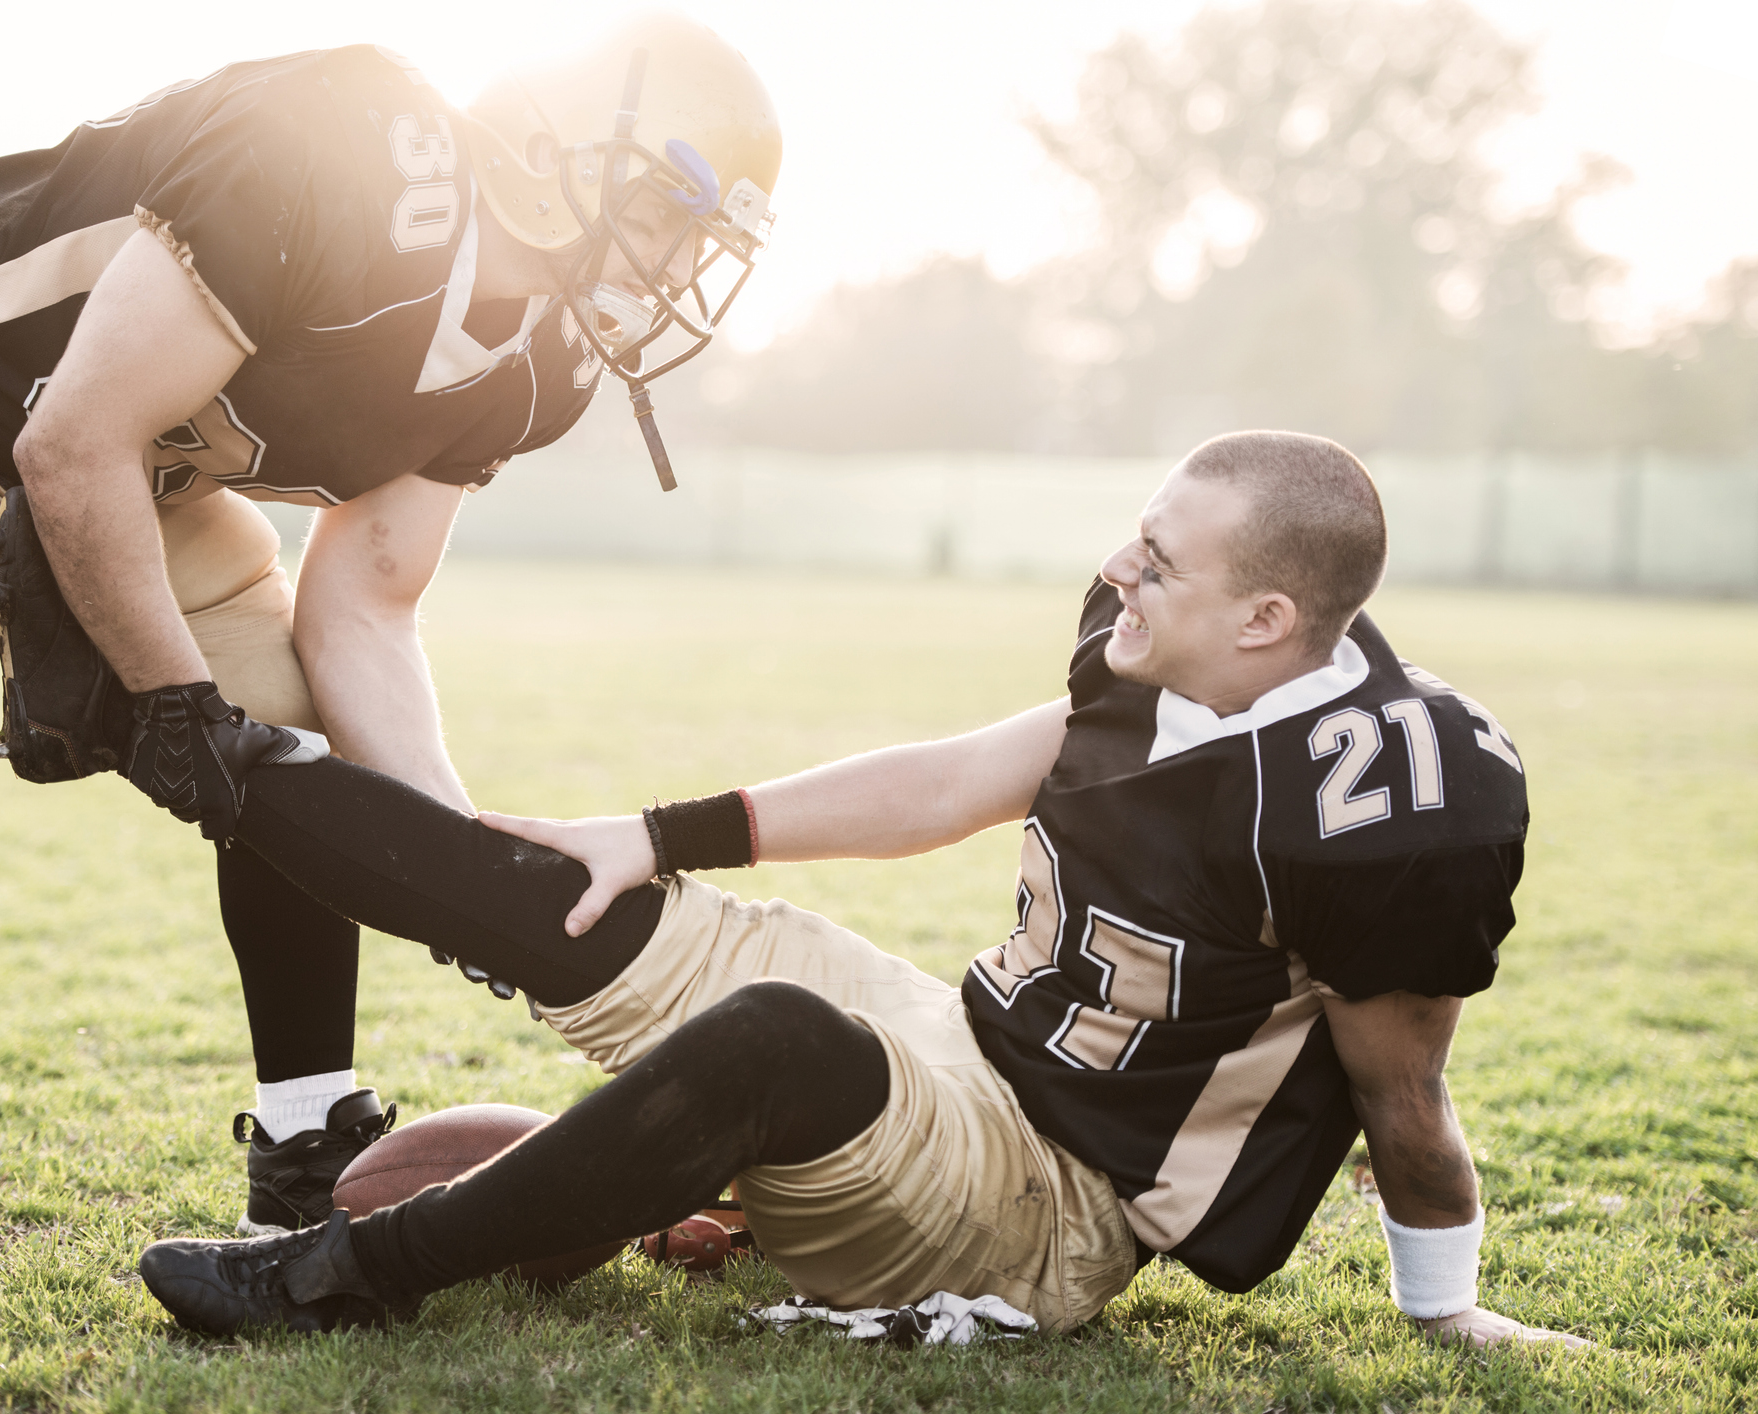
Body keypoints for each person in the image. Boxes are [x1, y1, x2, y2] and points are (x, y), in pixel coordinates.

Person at [0, 16, 782, 1304]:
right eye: (664, 210)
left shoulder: (539, 364)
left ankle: (305, 1142)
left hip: (116, 461)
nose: (671, 264)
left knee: (288, 732)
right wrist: (174, 700)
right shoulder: (343, 149)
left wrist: (463, 863)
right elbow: (73, 441)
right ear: (548, 142)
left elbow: (364, 608)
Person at [134, 431, 1589, 1349]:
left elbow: (1405, 1096)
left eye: (1158, 562)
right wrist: (660, 834)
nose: (1116, 571)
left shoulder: (1380, 801)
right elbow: (950, 781)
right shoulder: (1160, 654)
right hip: (964, 1046)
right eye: (1137, 535)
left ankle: (341, 1273)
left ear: (1268, 619)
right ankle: (160, 728)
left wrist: (1446, 1306)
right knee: (576, 884)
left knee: (777, 1039)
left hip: (1056, 1202)